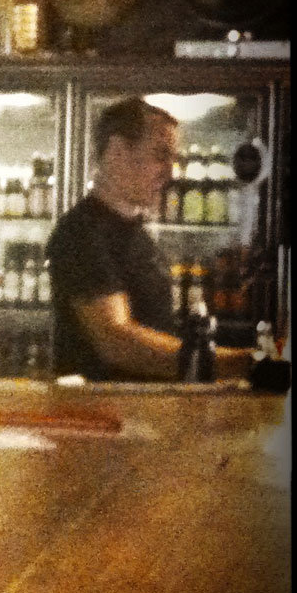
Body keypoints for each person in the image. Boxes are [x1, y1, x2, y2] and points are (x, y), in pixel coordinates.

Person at [46, 96, 255, 382]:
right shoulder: (81, 232)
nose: (170, 172)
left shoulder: (135, 232)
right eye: (160, 155)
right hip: (104, 408)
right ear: (117, 151)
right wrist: (240, 364)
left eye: (172, 158)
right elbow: (116, 341)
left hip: (141, 403)